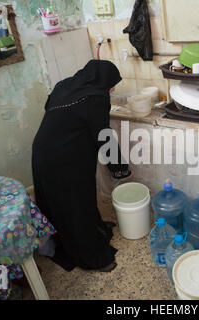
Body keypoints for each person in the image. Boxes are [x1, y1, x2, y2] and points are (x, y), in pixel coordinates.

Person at [32, 60, 131, 272]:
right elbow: (104, 137)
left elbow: (51, 110)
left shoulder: (64, 85)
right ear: (103, 80)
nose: (112, 89)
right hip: (65, 158)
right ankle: (93, 258)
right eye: (112, 84)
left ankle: (92, 231)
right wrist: (120, 168)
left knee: (71, 201)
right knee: (74, 204)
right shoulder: (96, 97)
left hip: (42, 150)